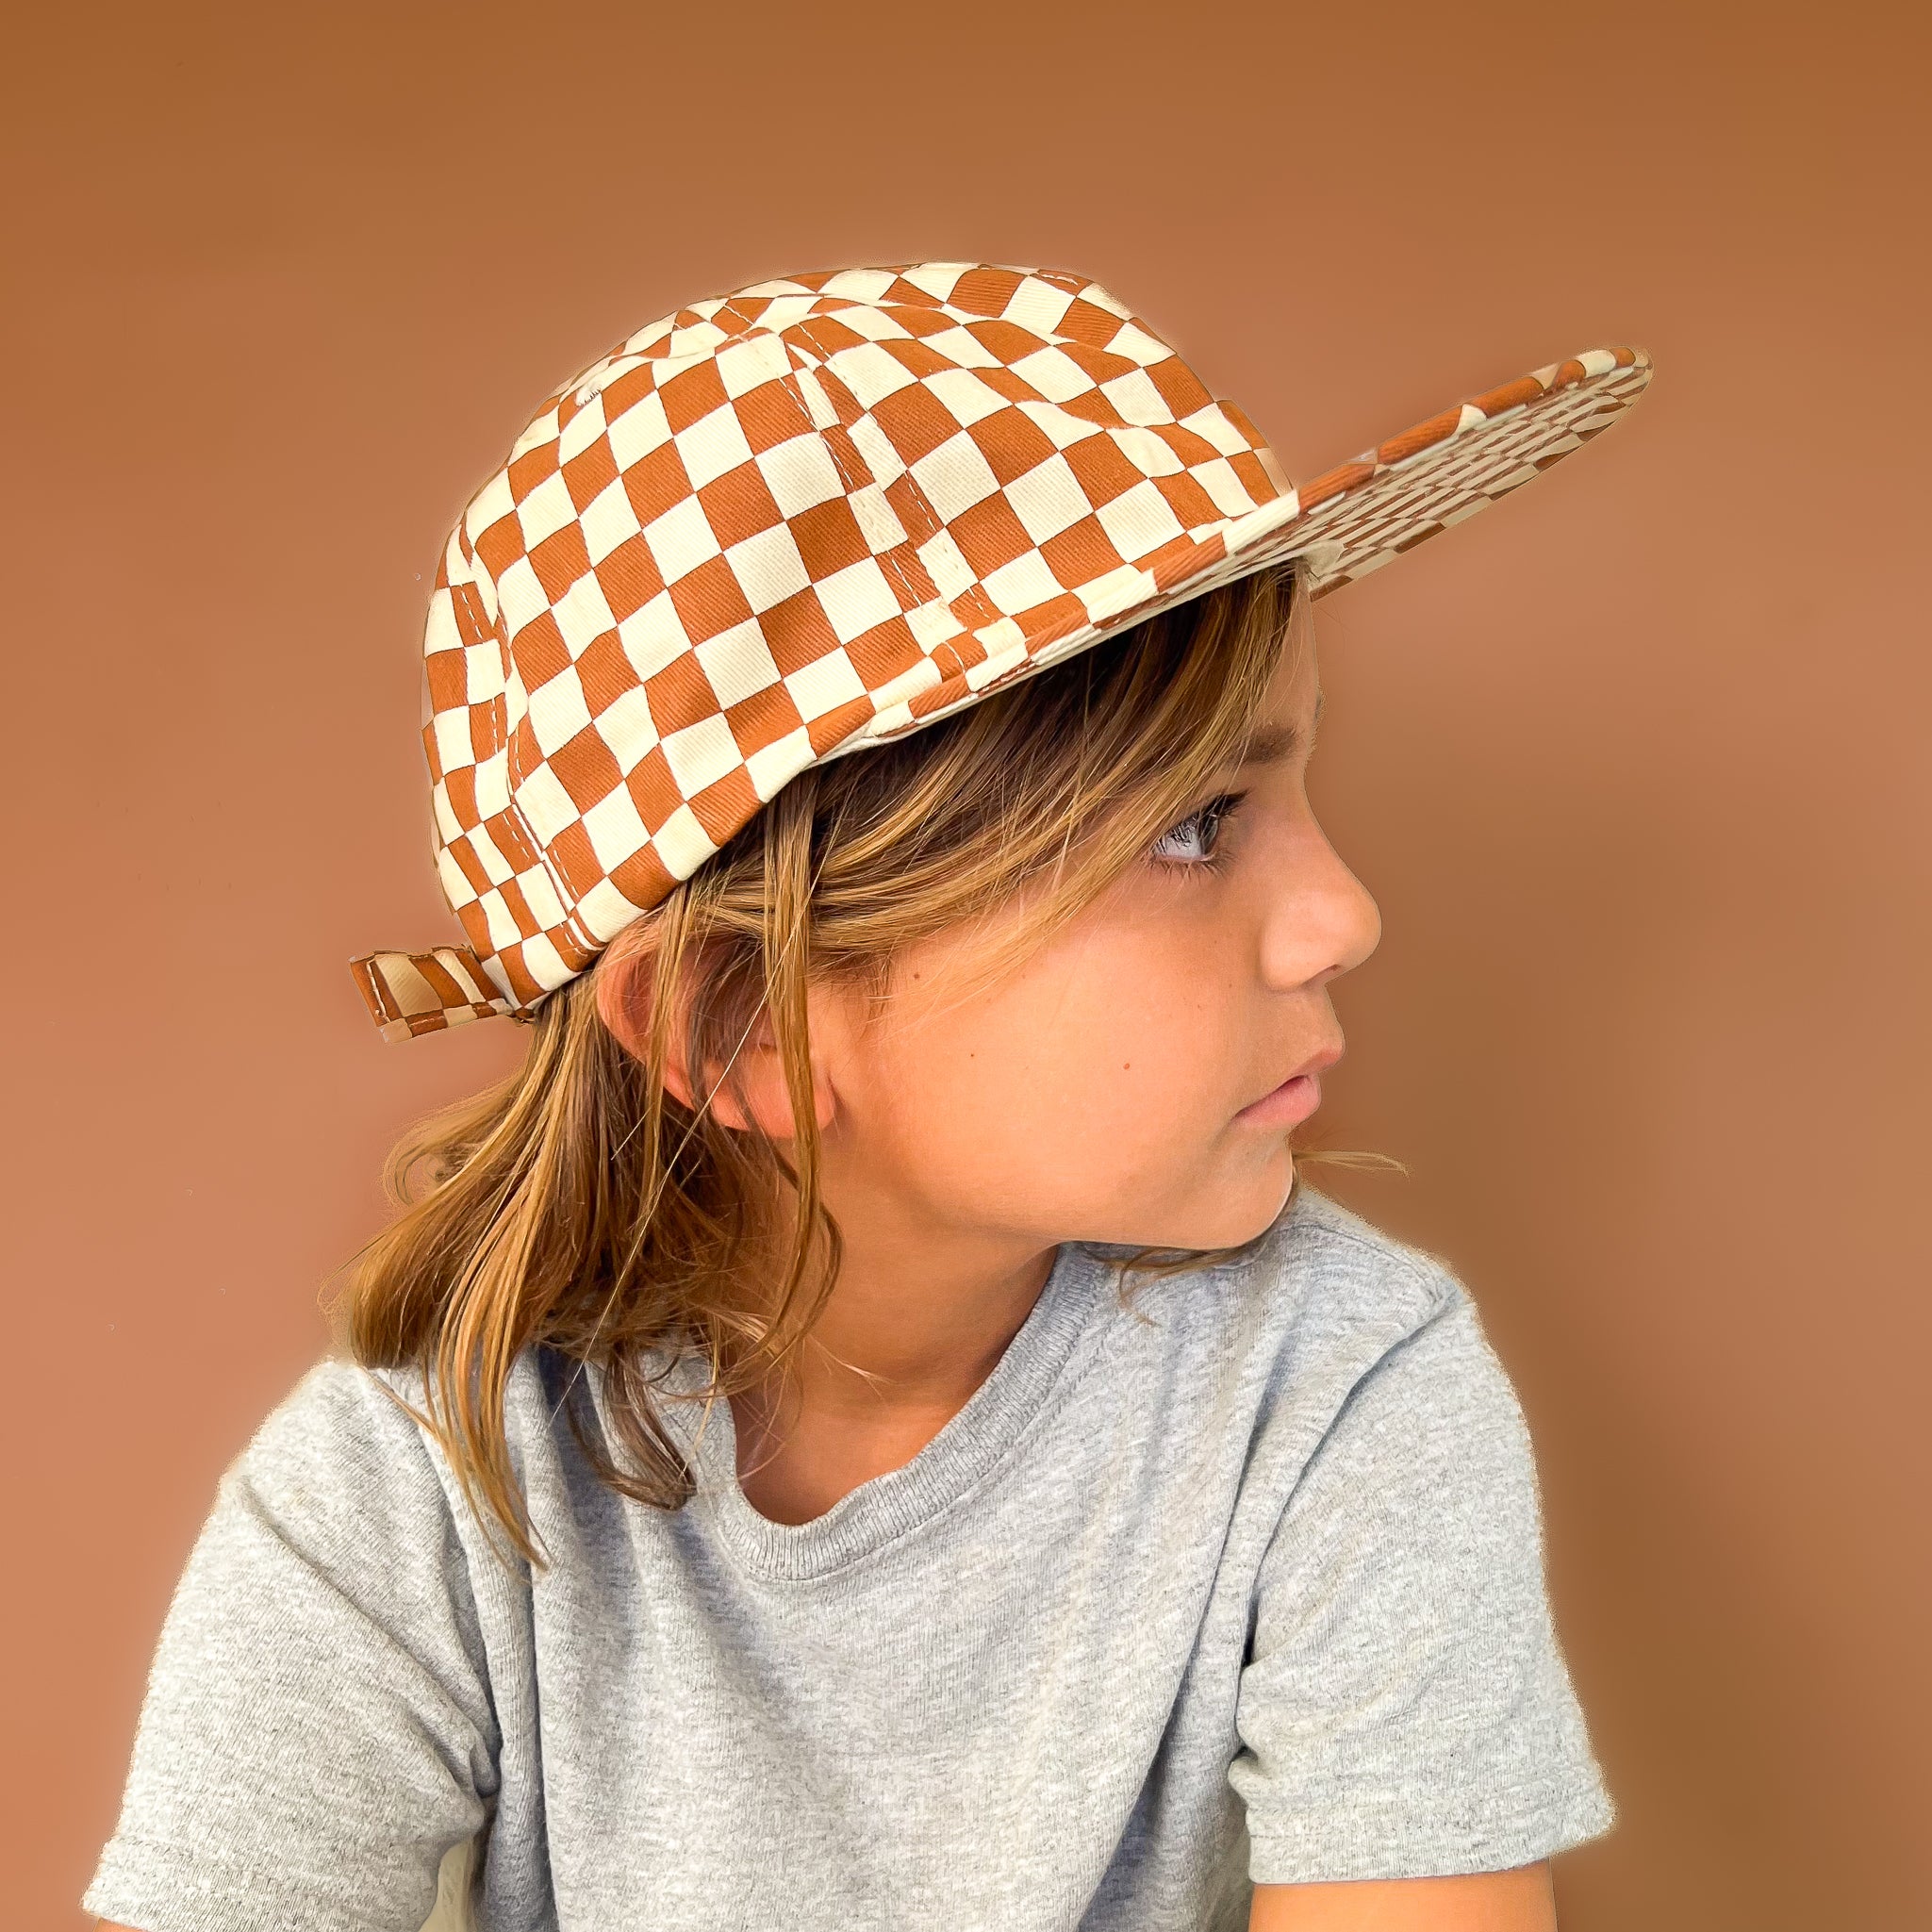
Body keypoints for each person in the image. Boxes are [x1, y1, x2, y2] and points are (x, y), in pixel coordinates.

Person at [84, 261, 1650, 1932]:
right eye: (1194, 826)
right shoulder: (416, 1482)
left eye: (1289, 787)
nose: (1344, 914)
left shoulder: (1343, 1392)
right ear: (739, 1018)